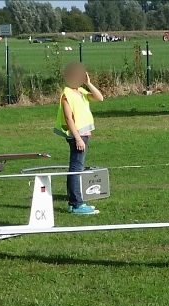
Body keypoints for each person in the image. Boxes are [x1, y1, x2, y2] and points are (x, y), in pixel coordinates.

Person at [54, 62, 103, 215]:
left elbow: (100, 98)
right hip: (78, 137)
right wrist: (78, 139)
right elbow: (69, 119)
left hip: (83, 135)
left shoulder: (81, 91)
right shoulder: (66, 95)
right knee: (76, 169)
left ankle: (73, 202)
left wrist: (89, 83)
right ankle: (77, 204)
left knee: (75, 168)